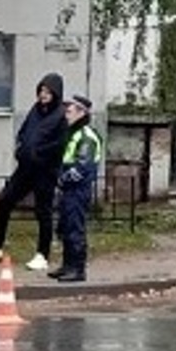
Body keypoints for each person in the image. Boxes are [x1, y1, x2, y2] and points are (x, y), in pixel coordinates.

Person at [0, 73, 67, 271]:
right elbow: (24, 131)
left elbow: (59, 145)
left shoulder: (60, 116)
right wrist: (21, 148)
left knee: (43, 211)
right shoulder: (35, 110)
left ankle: (42, 254)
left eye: (47, 92)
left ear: (55, 93)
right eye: (41, 90)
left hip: (45, 171)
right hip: (25, 167)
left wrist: (39, 154)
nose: (43, 95)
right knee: (5, 200)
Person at [49, 94, 101, 282]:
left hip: (77, 190)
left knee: (75, 228)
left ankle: (77, 270)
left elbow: (82, 167)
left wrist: (62, 180)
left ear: (81, 112)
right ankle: (67, 265)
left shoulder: (86, 136)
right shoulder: (73, 134)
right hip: (69, 189)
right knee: (65, 226)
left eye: (69, 111)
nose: (66, 115)